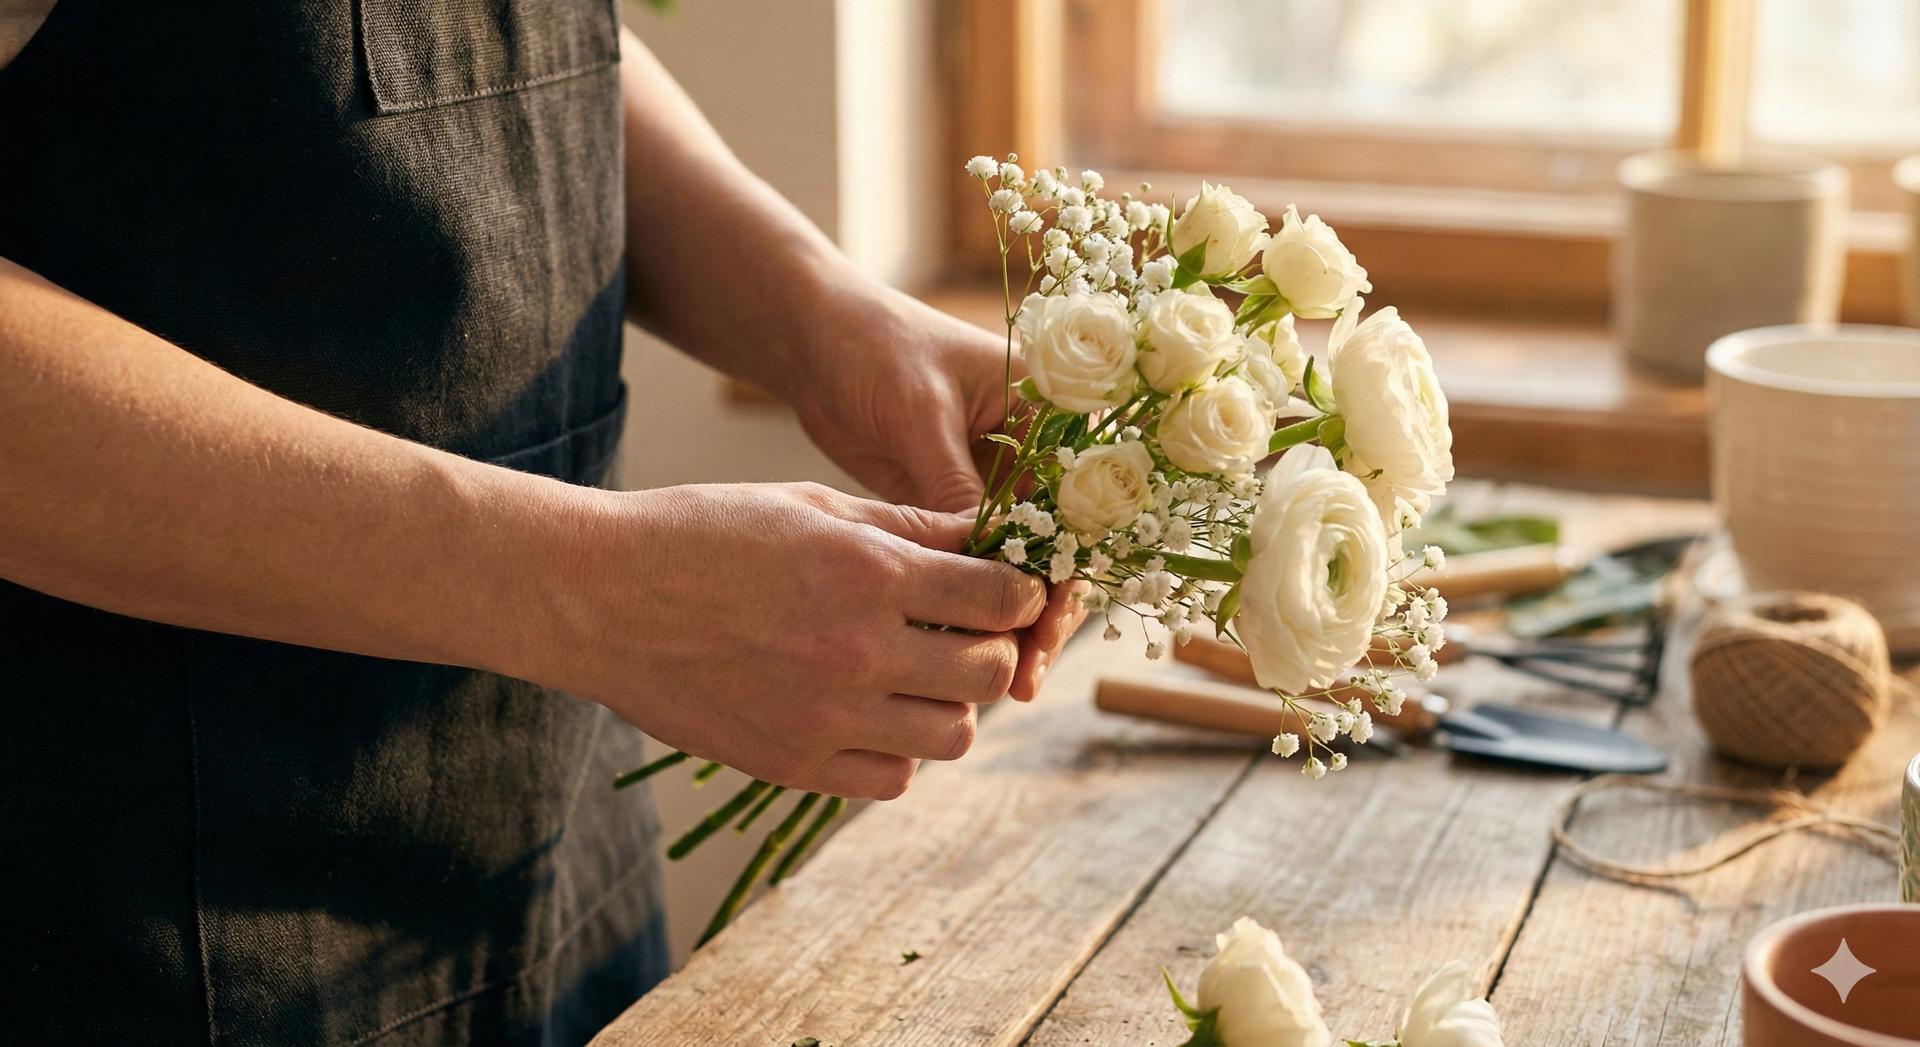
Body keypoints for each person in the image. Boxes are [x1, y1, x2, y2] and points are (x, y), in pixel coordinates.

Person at [0, 5, 1083, 1043]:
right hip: (151, 917)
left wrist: (822, 317)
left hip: (565, 861)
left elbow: (518, 58)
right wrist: (594, 589)